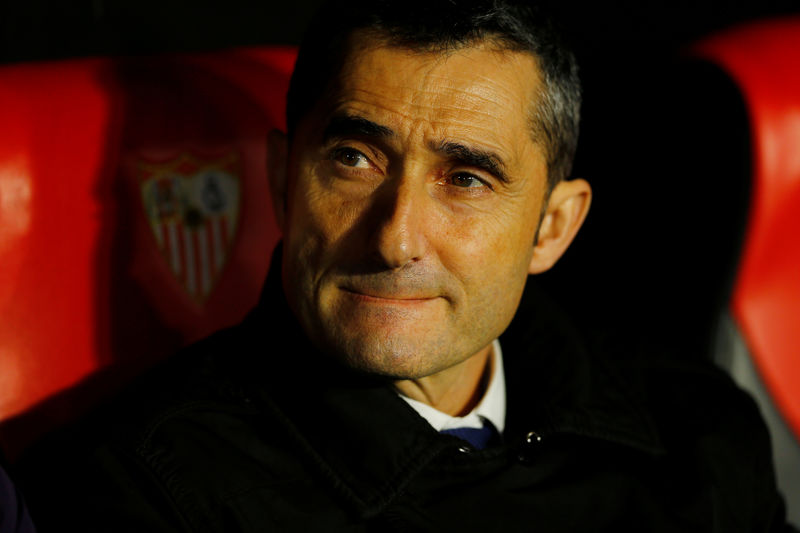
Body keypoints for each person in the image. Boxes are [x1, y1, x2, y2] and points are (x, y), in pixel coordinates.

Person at [17, 0, 791, 531]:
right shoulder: (134, 494)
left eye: (466, 179)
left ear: (553, 227)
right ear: (285, 180)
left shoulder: (694, 428)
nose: (396, 238)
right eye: (355, 159)